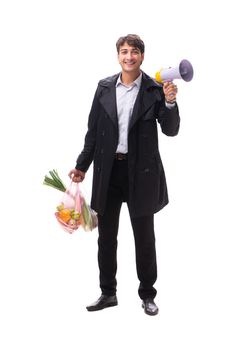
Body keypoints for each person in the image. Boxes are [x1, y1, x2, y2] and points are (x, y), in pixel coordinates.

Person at [68, 34, 180, 316]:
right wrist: (82, 166)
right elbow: (93, 132)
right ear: (118, 56)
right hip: (109, 172)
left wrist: (168, 103)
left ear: (142, 56)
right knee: (106, 237)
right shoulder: (104, 87)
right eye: (124, 52)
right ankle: (108, 293)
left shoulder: (154, 89)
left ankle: (148, 295)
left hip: (141, 173)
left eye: (134, 52)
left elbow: (170, 129)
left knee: (144, 238)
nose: (129, 56)